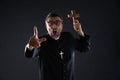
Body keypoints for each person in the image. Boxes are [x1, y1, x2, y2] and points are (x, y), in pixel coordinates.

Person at [24, 12, 90, 80]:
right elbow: (29, 54)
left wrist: (80, 31)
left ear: (62, 25)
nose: (54, 26)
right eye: (50, 23)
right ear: (46, 26)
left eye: (57, 22)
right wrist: (30, 45)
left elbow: (84, 47)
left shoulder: (68, 37)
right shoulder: (40, 41)